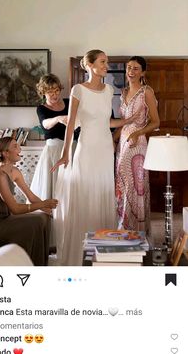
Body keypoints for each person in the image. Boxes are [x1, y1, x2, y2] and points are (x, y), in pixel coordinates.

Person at [51, 49, 139, 266]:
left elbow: (106, 122)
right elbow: (71, 123)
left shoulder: (109, 90)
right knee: (86, 196)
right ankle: (79, 255)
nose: (105, 65)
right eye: (102, 62)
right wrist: (65, 155)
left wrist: (129, 120)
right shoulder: (78, 90)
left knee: (102, 194)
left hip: (105, 149)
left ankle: (102, 256)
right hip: (87, 149)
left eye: (106, 62)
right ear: (89, 65)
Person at [0, 136, 58, 266]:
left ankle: (41, 258)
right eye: (15, 146)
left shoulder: (14, 171)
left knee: (44, 217)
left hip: (6, 219)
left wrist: (49, 211)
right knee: (37, 221)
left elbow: (31, 197)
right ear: (5, 153)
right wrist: (44, 203)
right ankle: (32, 263)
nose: (20, 149)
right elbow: (15, 209)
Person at [31, 74, 79, 247]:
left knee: (72, 191)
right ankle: (52, 239)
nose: (54, 94)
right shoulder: (41, 108)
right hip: (53, 153)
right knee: (53, 192)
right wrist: (58, 118)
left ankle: (72, 233)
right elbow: (45, 124)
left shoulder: (69, 101)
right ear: (43, 92)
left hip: (73, 150)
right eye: (50, 91)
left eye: (57, 90)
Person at [114, 56, 160, 232]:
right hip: (123, 144)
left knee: (136, 187)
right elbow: (123, 122)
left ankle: (137, 231)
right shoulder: (124, 92)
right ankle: (124, 227)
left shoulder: (146, 91)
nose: (130, 72)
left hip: (138, 144)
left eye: (135, 69)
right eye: (128, 68)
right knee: (123, 185)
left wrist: (138, 132)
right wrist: (113, 139)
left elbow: (156, 122)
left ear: (143, 72)